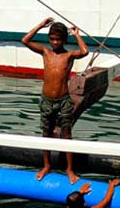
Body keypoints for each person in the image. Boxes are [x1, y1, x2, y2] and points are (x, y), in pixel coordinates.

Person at [21, 17, 90, 183]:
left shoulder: (69, 55)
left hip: (64, 100)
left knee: (66, 134)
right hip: (47, 100)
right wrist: (40, 25)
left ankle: (69, 169)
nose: (55, 42)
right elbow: (25, 40)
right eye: (52, 39)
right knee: (46, 132)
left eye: (58, 39)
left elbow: (85, 51)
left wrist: (76, 34)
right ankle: (47, 165)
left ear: (64, 40)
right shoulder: (46, 52)